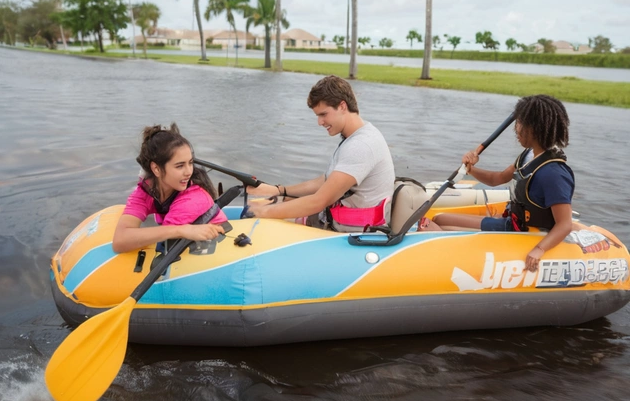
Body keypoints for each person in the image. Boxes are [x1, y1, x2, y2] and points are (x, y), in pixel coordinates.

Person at [431, 94, 574, 272]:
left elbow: (565, 224)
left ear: (535, 128)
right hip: (511, 222)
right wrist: (470, 169)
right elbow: (496, 179)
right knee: (439, 218)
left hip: (525, 233)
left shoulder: (553, 174)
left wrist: (539, 249)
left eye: (520, 123)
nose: (516, 129)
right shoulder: (529, 156)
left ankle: (442, 262)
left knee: (437, 225)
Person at [246, 75, 395, 232]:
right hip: (336, 223)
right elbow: (326, 181)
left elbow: (319, 201)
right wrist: (280, 191)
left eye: (323, 114)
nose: (320, 122)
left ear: (342, 106)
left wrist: (263, 212)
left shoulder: (361, 145)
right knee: (276, 205)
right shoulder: (356, 136)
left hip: (354, 236)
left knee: (263, 220)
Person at [112, 123, 227, 253]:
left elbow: (163, 247)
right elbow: (120, 241)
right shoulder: (146, 191)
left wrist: (176, 230)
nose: (189, 172)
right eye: (180, 166)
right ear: (156, 169)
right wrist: (180, 230)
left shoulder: (192, 200)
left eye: (190, 163)